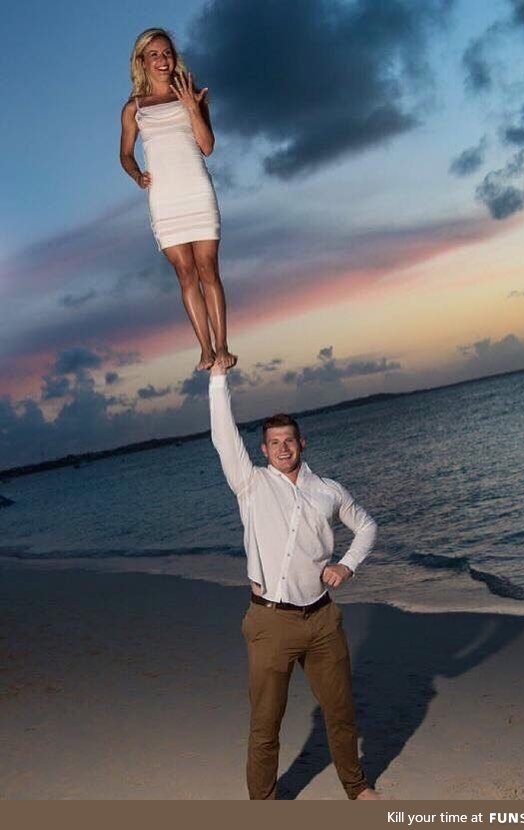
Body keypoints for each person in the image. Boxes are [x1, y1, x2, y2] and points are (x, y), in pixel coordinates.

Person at [208, 358, 381, 800]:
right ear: (263, 450)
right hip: (270, 624)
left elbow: (367, 526)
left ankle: (356, 787)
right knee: (266, 724)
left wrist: (347, 565)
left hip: (323, 621)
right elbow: (224, 435)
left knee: (341, 713)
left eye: (288, 440)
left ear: (302, 442)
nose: (282, 448)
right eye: (273, 443)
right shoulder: (250, 485)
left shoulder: (329, 490)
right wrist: (218, 377)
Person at [120, 27, 236, 371]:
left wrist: (191, 106)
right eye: (154, 54)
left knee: (208, 269)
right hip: (164, 196)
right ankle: (205, 349)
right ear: (142, 61)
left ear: (174, 57)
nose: (162, 60)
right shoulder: (134, 108)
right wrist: (137, 174)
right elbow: (125, 154)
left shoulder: (191, 93)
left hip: (196, 190)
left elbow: (207, 146)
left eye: (167, 52)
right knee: (186, 274)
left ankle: (223, 345)